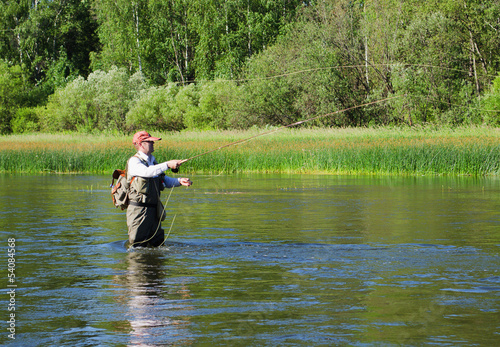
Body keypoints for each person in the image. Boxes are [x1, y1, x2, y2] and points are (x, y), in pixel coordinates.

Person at [126, 131, 192, 248]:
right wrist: (167, 164)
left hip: (154, 210)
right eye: (150, 141)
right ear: (141, 144)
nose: (153, 143)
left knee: (157, 244)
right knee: (137, 246)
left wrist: (179, 181)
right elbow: (147, 172)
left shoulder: (152, 161)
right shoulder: (134, 161)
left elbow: (164, 180)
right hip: (139, 211)